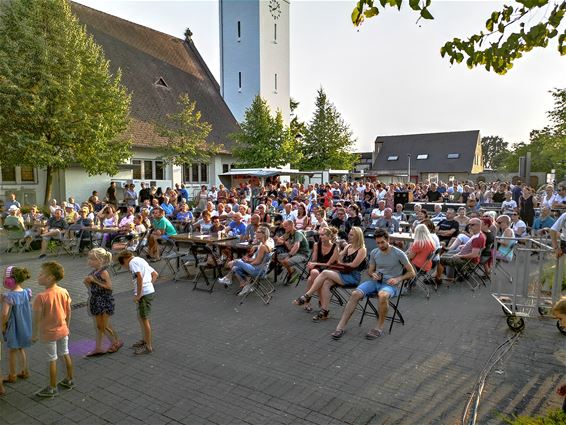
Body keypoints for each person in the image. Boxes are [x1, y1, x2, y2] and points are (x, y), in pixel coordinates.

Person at [330, 229, 415, 340]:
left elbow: (412, 273)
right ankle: (340, 327)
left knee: (383, 295)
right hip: (375, 282)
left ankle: (378, 328)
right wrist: (373, 274)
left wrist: (398, 278)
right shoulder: (375, 252)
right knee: (355, 294)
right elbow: (370, 271)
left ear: (388, 240)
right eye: (378, 243)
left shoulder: (399, 253)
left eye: (382, 242)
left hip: (390, 285)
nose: (380, 245)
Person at [293, 227, 367, 322]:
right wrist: (341, 261)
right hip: (342, 272)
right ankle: (324, 311)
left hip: (353, 276)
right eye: (349, 234)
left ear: (358, 236)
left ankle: (307, 296)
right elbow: (339, 258)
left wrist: (341, 263)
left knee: (324, 272)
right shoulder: (348, 246)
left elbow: (353, 265)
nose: (349, 236)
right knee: (326, 283)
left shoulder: (362, 250)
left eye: (351, 235)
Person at [32, 262, 74, 397]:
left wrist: (34, 334)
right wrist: (67, 325)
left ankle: (52, 387)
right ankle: (69, 379)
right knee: (65, 353)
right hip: (63, 330)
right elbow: (68, 311)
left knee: (52, 359)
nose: (38, 276)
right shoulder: (64, 291)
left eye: (41, 274)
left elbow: (37, 318)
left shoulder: (41, 297)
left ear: (50, 277)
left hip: (49, 333)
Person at [117, 251, 158, 355]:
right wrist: (149, 285)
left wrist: (139, 294)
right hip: (148, 292)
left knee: (144, 319)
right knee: (141, 317)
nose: (127, 268)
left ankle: (148, 346)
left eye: (124, 266)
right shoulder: (141, 260)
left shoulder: (132, 263)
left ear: (125, 260)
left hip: (144, 294)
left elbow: (139, 277)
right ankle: (145, 340)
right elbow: (155, 274)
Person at [83, 249, 123, 357]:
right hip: (96, 300)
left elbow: (109, 287)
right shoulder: (93, 272)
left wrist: (94, 281)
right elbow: (92, 288)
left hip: (105, 300)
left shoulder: (104, 272)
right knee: (100, 326)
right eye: (89, 258)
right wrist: (88, 283)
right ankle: (99, 347)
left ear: (100, 260)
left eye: (92, 259)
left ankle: (116, 342)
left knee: (104, 325)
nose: (90, 261)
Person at [297, 226, 340, 313]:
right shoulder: (316, 244)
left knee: (310, 279)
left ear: (329, 236)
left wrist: (315, 264)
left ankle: (307, 301)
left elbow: (328, 264)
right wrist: (311, 264)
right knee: (313, 272)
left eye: (323, 235)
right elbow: (314, 260)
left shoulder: (335, 247)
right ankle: (321, 302)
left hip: (328, 270)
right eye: (320, 235)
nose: (320, 237)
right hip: (317, 268)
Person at [1, 266, 32, 384]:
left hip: (13, 327)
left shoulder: (10, 296)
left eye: (5, 277)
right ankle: (24, 371)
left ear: (10, 281)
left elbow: (4, 314)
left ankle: (12, 375)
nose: (3, 279)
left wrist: (2, 325)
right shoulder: (26, 292)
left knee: (12, 351)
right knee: (20, 348)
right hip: (24, 326)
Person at [219, 227, 273, 293]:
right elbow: (258, 259)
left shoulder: (263, 246)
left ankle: (228, 278)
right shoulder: (266, 242)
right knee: (235, 268)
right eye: (256, 231)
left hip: (258, 270)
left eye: (258, 232)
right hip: (262, 269)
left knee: (235, 262)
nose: (256, 233)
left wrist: (247, 263)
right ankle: (245, 284)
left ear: (264, 234)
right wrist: (248, 260)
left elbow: (257, 262)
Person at [435, 218, 486, 284]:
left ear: (479, 225)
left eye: (472, 225)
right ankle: (449, 277)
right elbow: (475, 248)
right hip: (466, 258)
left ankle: (438, 279)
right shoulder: (478, 235)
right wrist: (464, 246)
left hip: (468, 262)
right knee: (447, 254)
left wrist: (459, 256)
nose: (469, 227)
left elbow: (474, 255)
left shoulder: (478, 238)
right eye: (469, 224)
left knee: (440, 259)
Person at [275, 220, 311, 285]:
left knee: (285, 261)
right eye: (284, 226)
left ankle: (290, 273)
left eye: (286, 226)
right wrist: (284, 242)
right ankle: (291, 270)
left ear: (291, 225)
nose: (284, 228)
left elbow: (296, 246)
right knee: (275, 257)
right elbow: (278, 240)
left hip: (303, 254)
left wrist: (289, 255)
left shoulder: (297, 233)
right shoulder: (288, 233)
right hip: (295, 253)